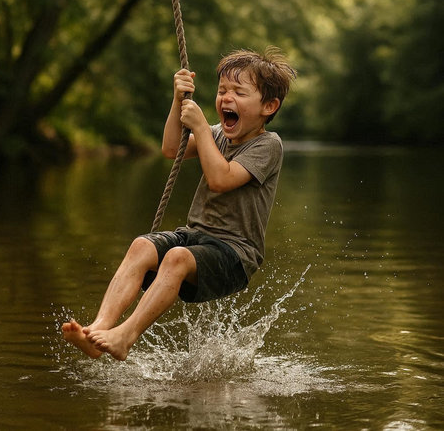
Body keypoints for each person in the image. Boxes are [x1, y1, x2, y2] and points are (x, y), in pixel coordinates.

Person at [62, 47, 296, 361]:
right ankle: (100, 329)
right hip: (197, 237)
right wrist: (177, 102)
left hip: (235, 254)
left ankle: (125, 336)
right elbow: (172, 148)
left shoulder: (269, 145)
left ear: (269, 106)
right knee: (141, 246)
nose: (226, 98)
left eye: (239, 92)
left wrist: (200, 127)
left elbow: (221, 179)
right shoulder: (218, 135)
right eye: (222, 90)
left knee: (176, 258)